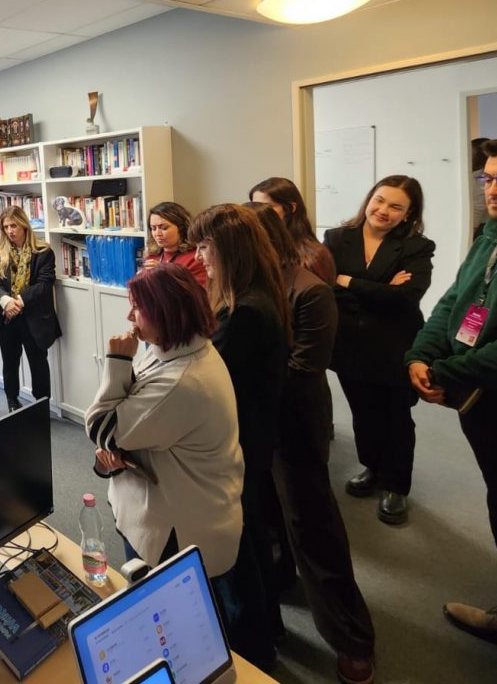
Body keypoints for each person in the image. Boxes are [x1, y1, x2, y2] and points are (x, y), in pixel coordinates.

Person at [405, 137, 497, 681]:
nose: (492, 188)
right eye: (487, 178)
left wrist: (446, 372)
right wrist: (421, 354)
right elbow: (452, 304)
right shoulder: (492, 238)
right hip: (483, 406)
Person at [248, 203, 377, 684]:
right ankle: (281, 587)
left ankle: (352, 637)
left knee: (312, 527)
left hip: (295, 424)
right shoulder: (245, 286)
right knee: (265, 517)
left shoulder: (309, 290)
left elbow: (304, 369)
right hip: (253, 423)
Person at [84, 263, 243, 580]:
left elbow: (101, 427)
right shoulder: (172, 348)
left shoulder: (182, 381)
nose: (129, 317)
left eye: (137, 308)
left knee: (161, 605)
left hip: (176, 532)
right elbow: (133, 408)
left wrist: (117, 361)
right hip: (161, 507)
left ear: (166, 313)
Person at [187, 203, 288, 671]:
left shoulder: (245, 311)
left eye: (205, 246)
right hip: (253, 436)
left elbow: (206, 379)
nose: (198, 256)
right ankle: (269, 628)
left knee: (238, 547)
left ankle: (254, 649)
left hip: (240, 442)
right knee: (249, 535)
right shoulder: (252, 295)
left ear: (230, 249)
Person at [323, 176, 434, 525]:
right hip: (349, 345)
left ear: (408, 213)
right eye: (380, 200)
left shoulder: (416, 247)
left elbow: (407, 297)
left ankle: (396, 485)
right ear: (369, 198)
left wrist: (349, 281)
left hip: (394, 344)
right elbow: (326, 288)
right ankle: (372, 467)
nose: (384, 210)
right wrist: (381, 288)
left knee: (396, 416)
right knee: (363, 411)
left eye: (396, 206)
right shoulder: (337, 238)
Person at [0, 205, 61, 412]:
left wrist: (19, 301)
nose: (10, 231)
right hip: (7, 316)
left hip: (34, 317)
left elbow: (45, 283)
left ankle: (41, 406)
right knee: (10, 362)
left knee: (38, 364)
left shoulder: (43, 251)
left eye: (14, 225)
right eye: (6, 227)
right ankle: (12, 400)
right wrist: (6, 302)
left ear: (24, 225)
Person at [249, 176, 337, 284]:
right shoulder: (253, 247)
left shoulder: (314, 256)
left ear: (290, 208)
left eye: (268, 207)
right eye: (254, 206)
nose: (258, 213)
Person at [141, 201, 208, 288]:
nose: (157, 234)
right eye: (153, 228)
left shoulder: (196, 258)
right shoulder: (152, 256)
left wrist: (165, 275)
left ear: (182, 228)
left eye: (164, 228)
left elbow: (198, 293)